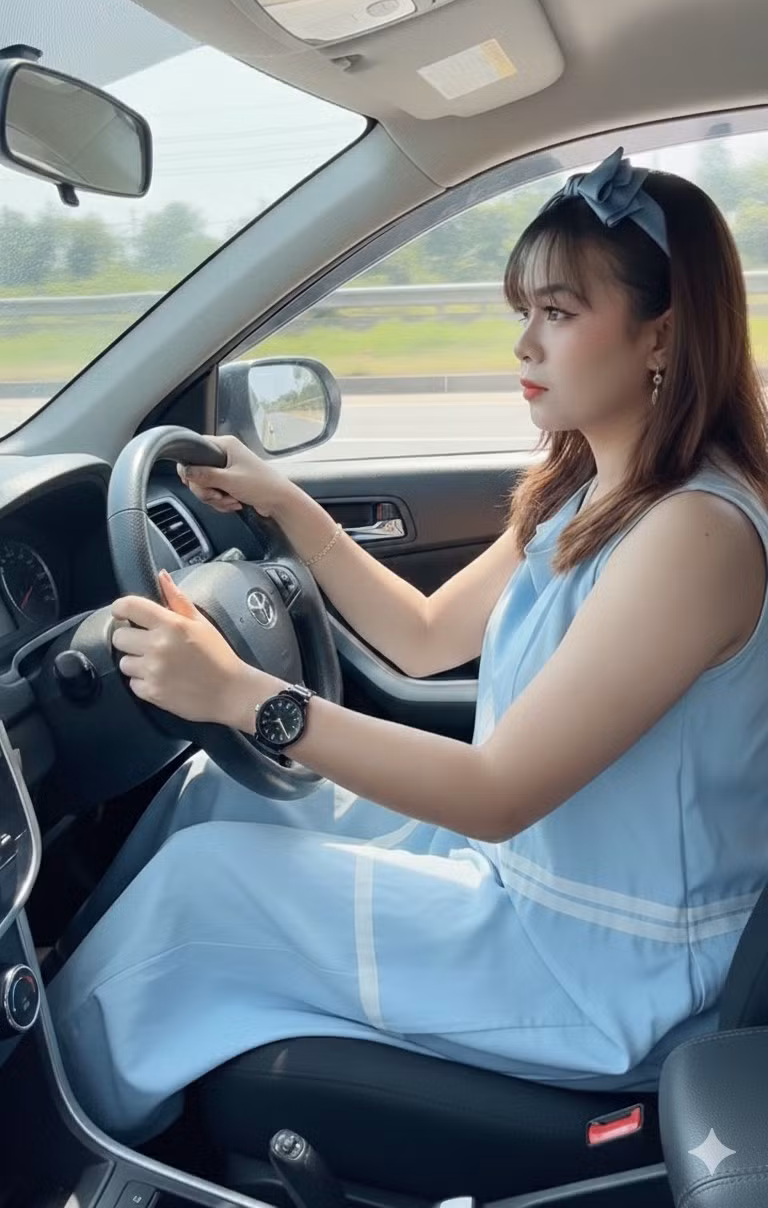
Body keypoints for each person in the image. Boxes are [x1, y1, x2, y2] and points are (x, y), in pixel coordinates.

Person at [48, 147, 768, 1145]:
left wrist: (240, 695)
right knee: (212, 793)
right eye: (524, 310)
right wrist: (285, 503)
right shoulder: (585, 490)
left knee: (197, 890)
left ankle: (46, 1140)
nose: (523, 343)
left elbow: (496, 792)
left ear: (665, 333)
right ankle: (62, 1037)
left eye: (558, 313)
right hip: (528, 875)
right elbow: (422, 638)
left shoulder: (695, 534)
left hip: (610, 964)